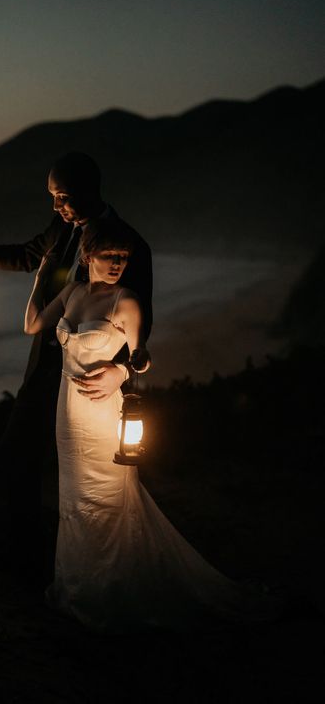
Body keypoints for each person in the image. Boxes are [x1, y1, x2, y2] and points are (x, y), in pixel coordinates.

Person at [24, 220, 285, 633]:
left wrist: (120, 372)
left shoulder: (125, 302)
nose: (118, 265)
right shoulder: (72, 293)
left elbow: (143, 355)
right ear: (88, 255)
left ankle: (114, 592)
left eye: (124, 258)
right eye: (110, 256)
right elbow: (33, 325)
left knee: (108, 501)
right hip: (67, 415)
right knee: (73, 503)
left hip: (102, 415)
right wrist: (41, 274)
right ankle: (79, 589)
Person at [0, 152, 153, 584]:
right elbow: (27, 256)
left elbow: (140, 319)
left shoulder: (130, 246)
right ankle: (26, 558)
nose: (57, 207)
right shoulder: (61, 229)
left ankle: (95, 565)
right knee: (17, 453)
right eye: (53, 198)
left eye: (63, 197)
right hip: (45, 370)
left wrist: (122, 373)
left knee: (90, 476)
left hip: (94, 381)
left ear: (89, 192)